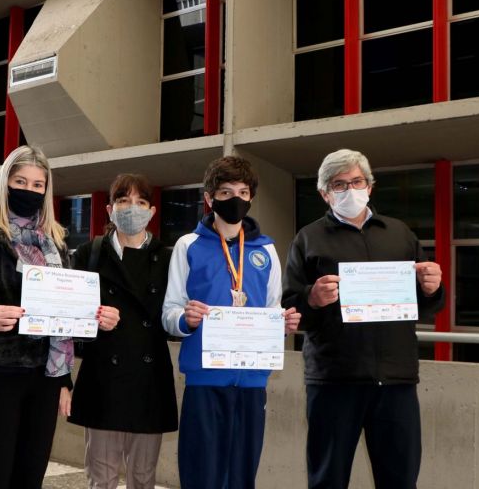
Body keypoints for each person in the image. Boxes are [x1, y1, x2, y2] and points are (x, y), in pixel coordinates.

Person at [0, 145, 120, 489]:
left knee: (30, 480)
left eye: (38, 184)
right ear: (5, 182)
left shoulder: (55, 242)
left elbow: (63, 311)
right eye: (20, 181)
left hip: (44, 378)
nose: (29, 190)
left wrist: (92, 318)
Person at [282, 148, 443, 489]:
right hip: (334, 380)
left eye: (357, 181)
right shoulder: (308, 239)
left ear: (370, 186)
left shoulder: (399, 234)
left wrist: (432, 289)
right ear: (325, 194)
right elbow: (291, 308)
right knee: (327, 479)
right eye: (339, 185)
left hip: (396, 380)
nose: (350, 190)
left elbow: (425, 307)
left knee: (400, 479)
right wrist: (311, 297)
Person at [162, 156, 301, 489]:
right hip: (205, 379)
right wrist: (185, 320)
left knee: (242, 475)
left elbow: (273, 307)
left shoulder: (266, 250)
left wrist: (283, 323)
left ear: (251, 197)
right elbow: (169, 311)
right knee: (201, 474)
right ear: (209, 198)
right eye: (225, 192)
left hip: (252, 380)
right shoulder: (188, 245)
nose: (235, 199)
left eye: (242, 192)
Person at [68, 174, 178, 489]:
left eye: (141, 202)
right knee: (101, 477)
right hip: (104, 381)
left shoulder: (169, 258)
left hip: (149, 381)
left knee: (143, 477)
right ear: (109, 209)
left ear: (152, 211)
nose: (132, 208)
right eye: (124, 201)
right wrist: (94, 319)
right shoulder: (88, 254)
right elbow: (69, 317)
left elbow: (175, 318)